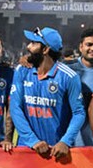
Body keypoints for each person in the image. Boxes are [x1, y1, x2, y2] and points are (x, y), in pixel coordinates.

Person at [9, 27, 83, 160]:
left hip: (56, 151)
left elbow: (79, 113)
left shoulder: (69, 77)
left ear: (45, 49)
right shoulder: (22, 70)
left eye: (34, 43)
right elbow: (15, 108)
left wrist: (65, 141)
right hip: (26, 149)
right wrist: (32, 141)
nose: (28, 47)